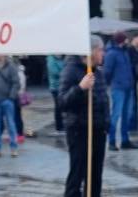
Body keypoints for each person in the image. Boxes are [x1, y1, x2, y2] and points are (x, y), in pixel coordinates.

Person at [60, 35, 110, 197]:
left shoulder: (98, 72)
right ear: (92, 51)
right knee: (78, 173)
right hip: (79, 130)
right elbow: (62, 102)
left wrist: (106, 123)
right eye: (101, 50)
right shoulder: (71, 70)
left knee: (95, 175)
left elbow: (103, 99)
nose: (103, 54)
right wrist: (80, 88)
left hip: (98, 130)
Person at [104, 32, 137, 150]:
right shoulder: (112, 54)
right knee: (116, 114)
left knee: (126, 115)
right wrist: (109, 84)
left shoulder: (124, 52)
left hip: (128, 87)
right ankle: (112, 141)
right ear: (121, 41)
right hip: (118, 88)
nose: (127, 41)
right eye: (126, 39)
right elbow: (107, 71)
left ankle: (125, 140)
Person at [47, 54, 66, 133]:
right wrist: (65, 72)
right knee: (58, 107)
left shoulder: (60, 59)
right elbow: (54, 72)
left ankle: (62, 125)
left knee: (61, 106)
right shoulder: (51, 59)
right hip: (55, 87)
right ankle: (59, 127)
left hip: (61, 86)